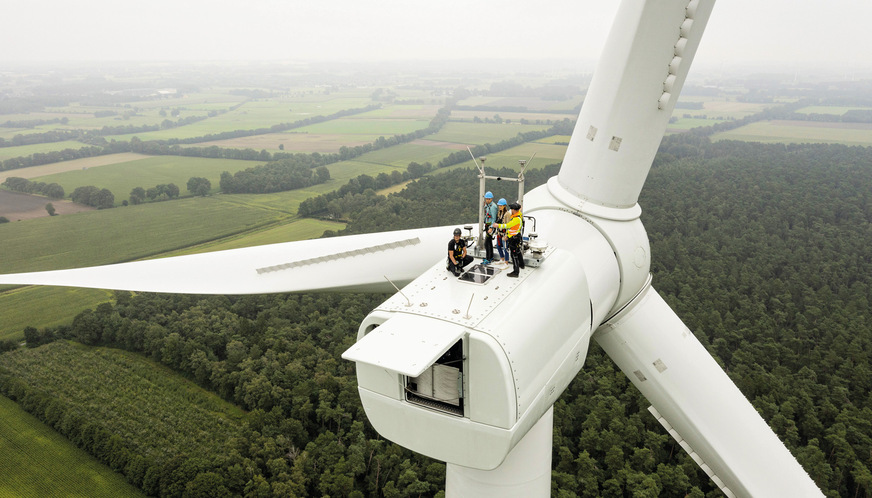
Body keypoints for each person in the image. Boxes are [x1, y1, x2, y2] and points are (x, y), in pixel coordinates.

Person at [495, 202, 524, 277]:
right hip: (516, 237)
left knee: (514, 255)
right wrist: (507, 235)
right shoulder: (519, 215)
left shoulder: (516, 219)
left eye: (512, 209)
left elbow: (508, 225)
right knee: (518, 252)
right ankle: (522, 264)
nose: (511, 210)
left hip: (514, 238)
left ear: (514, 210)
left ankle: (516, 272)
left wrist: (498, 225)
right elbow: (511, 229)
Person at [482, 191, 497, 264]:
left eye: (489, 199)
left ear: (491, 199)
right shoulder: (488, 206)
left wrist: (491, 228)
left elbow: (494, 218)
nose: (487, 200)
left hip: (491, 226)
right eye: (486, 199)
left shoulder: (493, 207)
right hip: (487, 225)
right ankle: (490, 257)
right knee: (489, 242)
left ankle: (488, 258)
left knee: (486, 242)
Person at [494, 198, 510, 265]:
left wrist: (507, 235)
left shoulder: (507, 214)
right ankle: (502, 258)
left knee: (505, 248)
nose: (499, 207)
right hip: (499, 233)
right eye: (499, 205)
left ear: (504, 206)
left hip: (504, 234)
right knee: (498, 246)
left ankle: (506, 262)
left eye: (501, 206)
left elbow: (508, 225)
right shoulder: (499, 213)